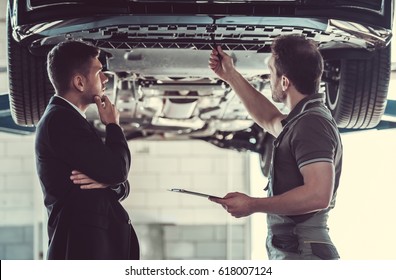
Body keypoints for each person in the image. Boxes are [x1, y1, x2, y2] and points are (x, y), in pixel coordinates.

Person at [209, 34, 342, 260]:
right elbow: (268, 118)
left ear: (284, 82)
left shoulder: (312, 124)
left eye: (271, 72)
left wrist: (252, 204)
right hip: (298, 249)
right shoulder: (303, 120)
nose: (268, 77)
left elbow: (319, 195)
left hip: (304, 253)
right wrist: (230, 75)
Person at [35, 40, 140, 259]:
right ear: (79, 82)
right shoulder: (61, 121)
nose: (105, 78)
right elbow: (117, 171)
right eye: (99, 72)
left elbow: (118, 179)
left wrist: (108, 182)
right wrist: (113, 124)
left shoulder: (68, 119)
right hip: (81, 251)